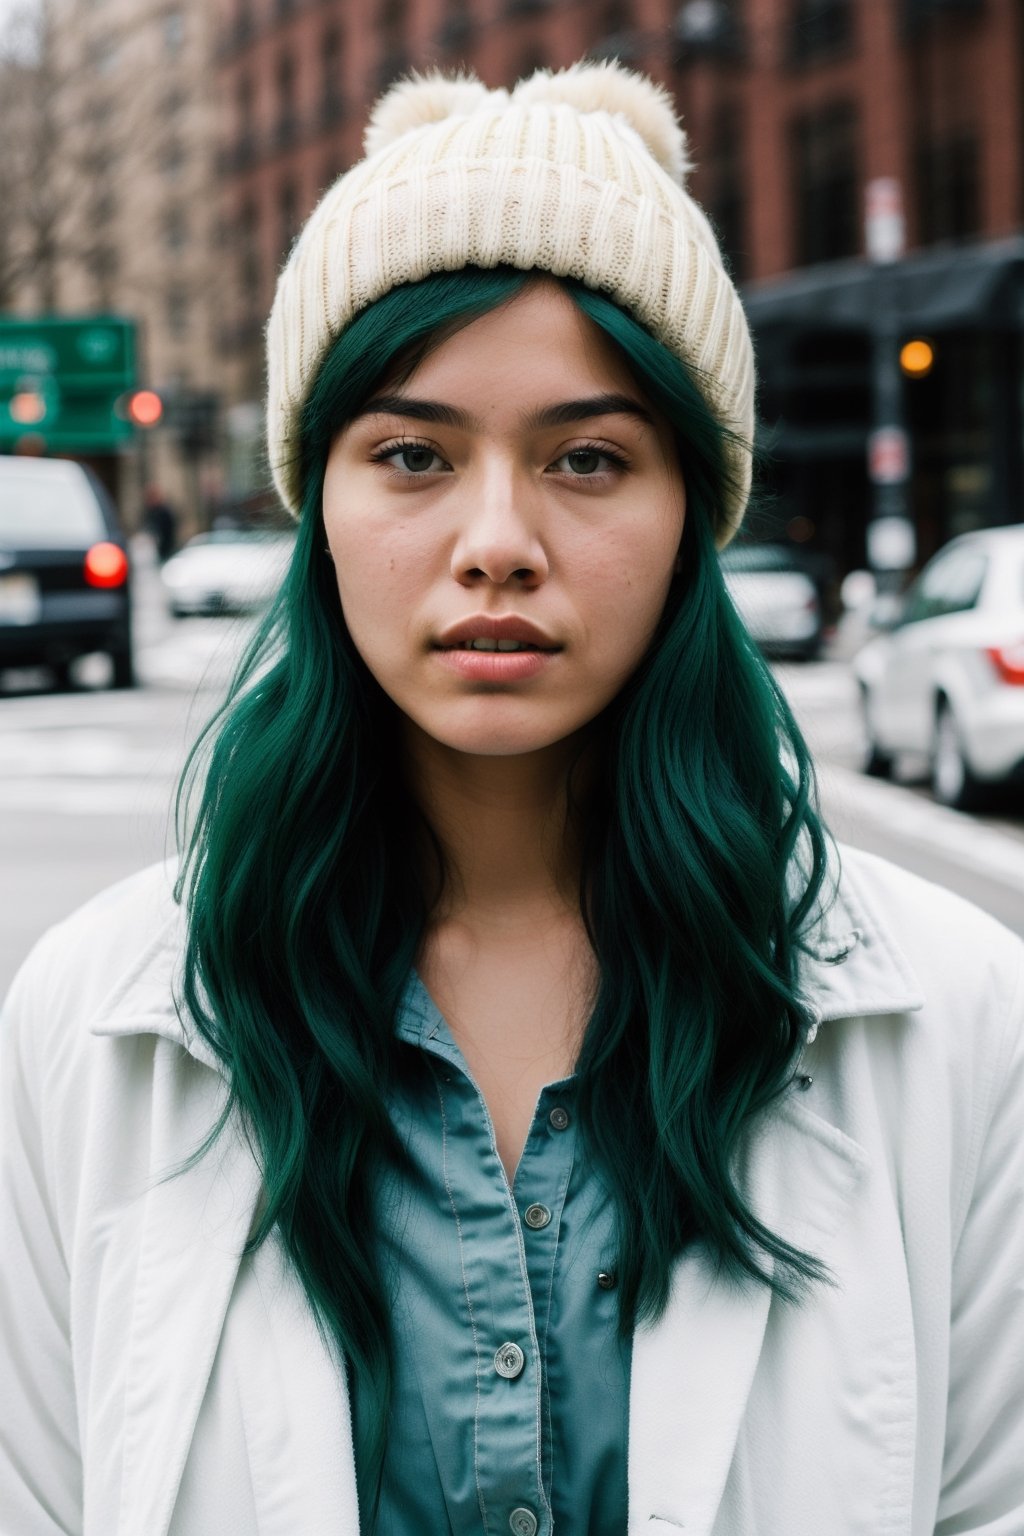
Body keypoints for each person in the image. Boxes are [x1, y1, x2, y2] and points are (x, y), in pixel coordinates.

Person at [1, 61, 1022, 1536]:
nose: (498, 542)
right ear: (320, 507)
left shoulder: (958, 1019)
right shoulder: (97, 1027)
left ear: (692, 511)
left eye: (589, 459)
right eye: (412, 455)